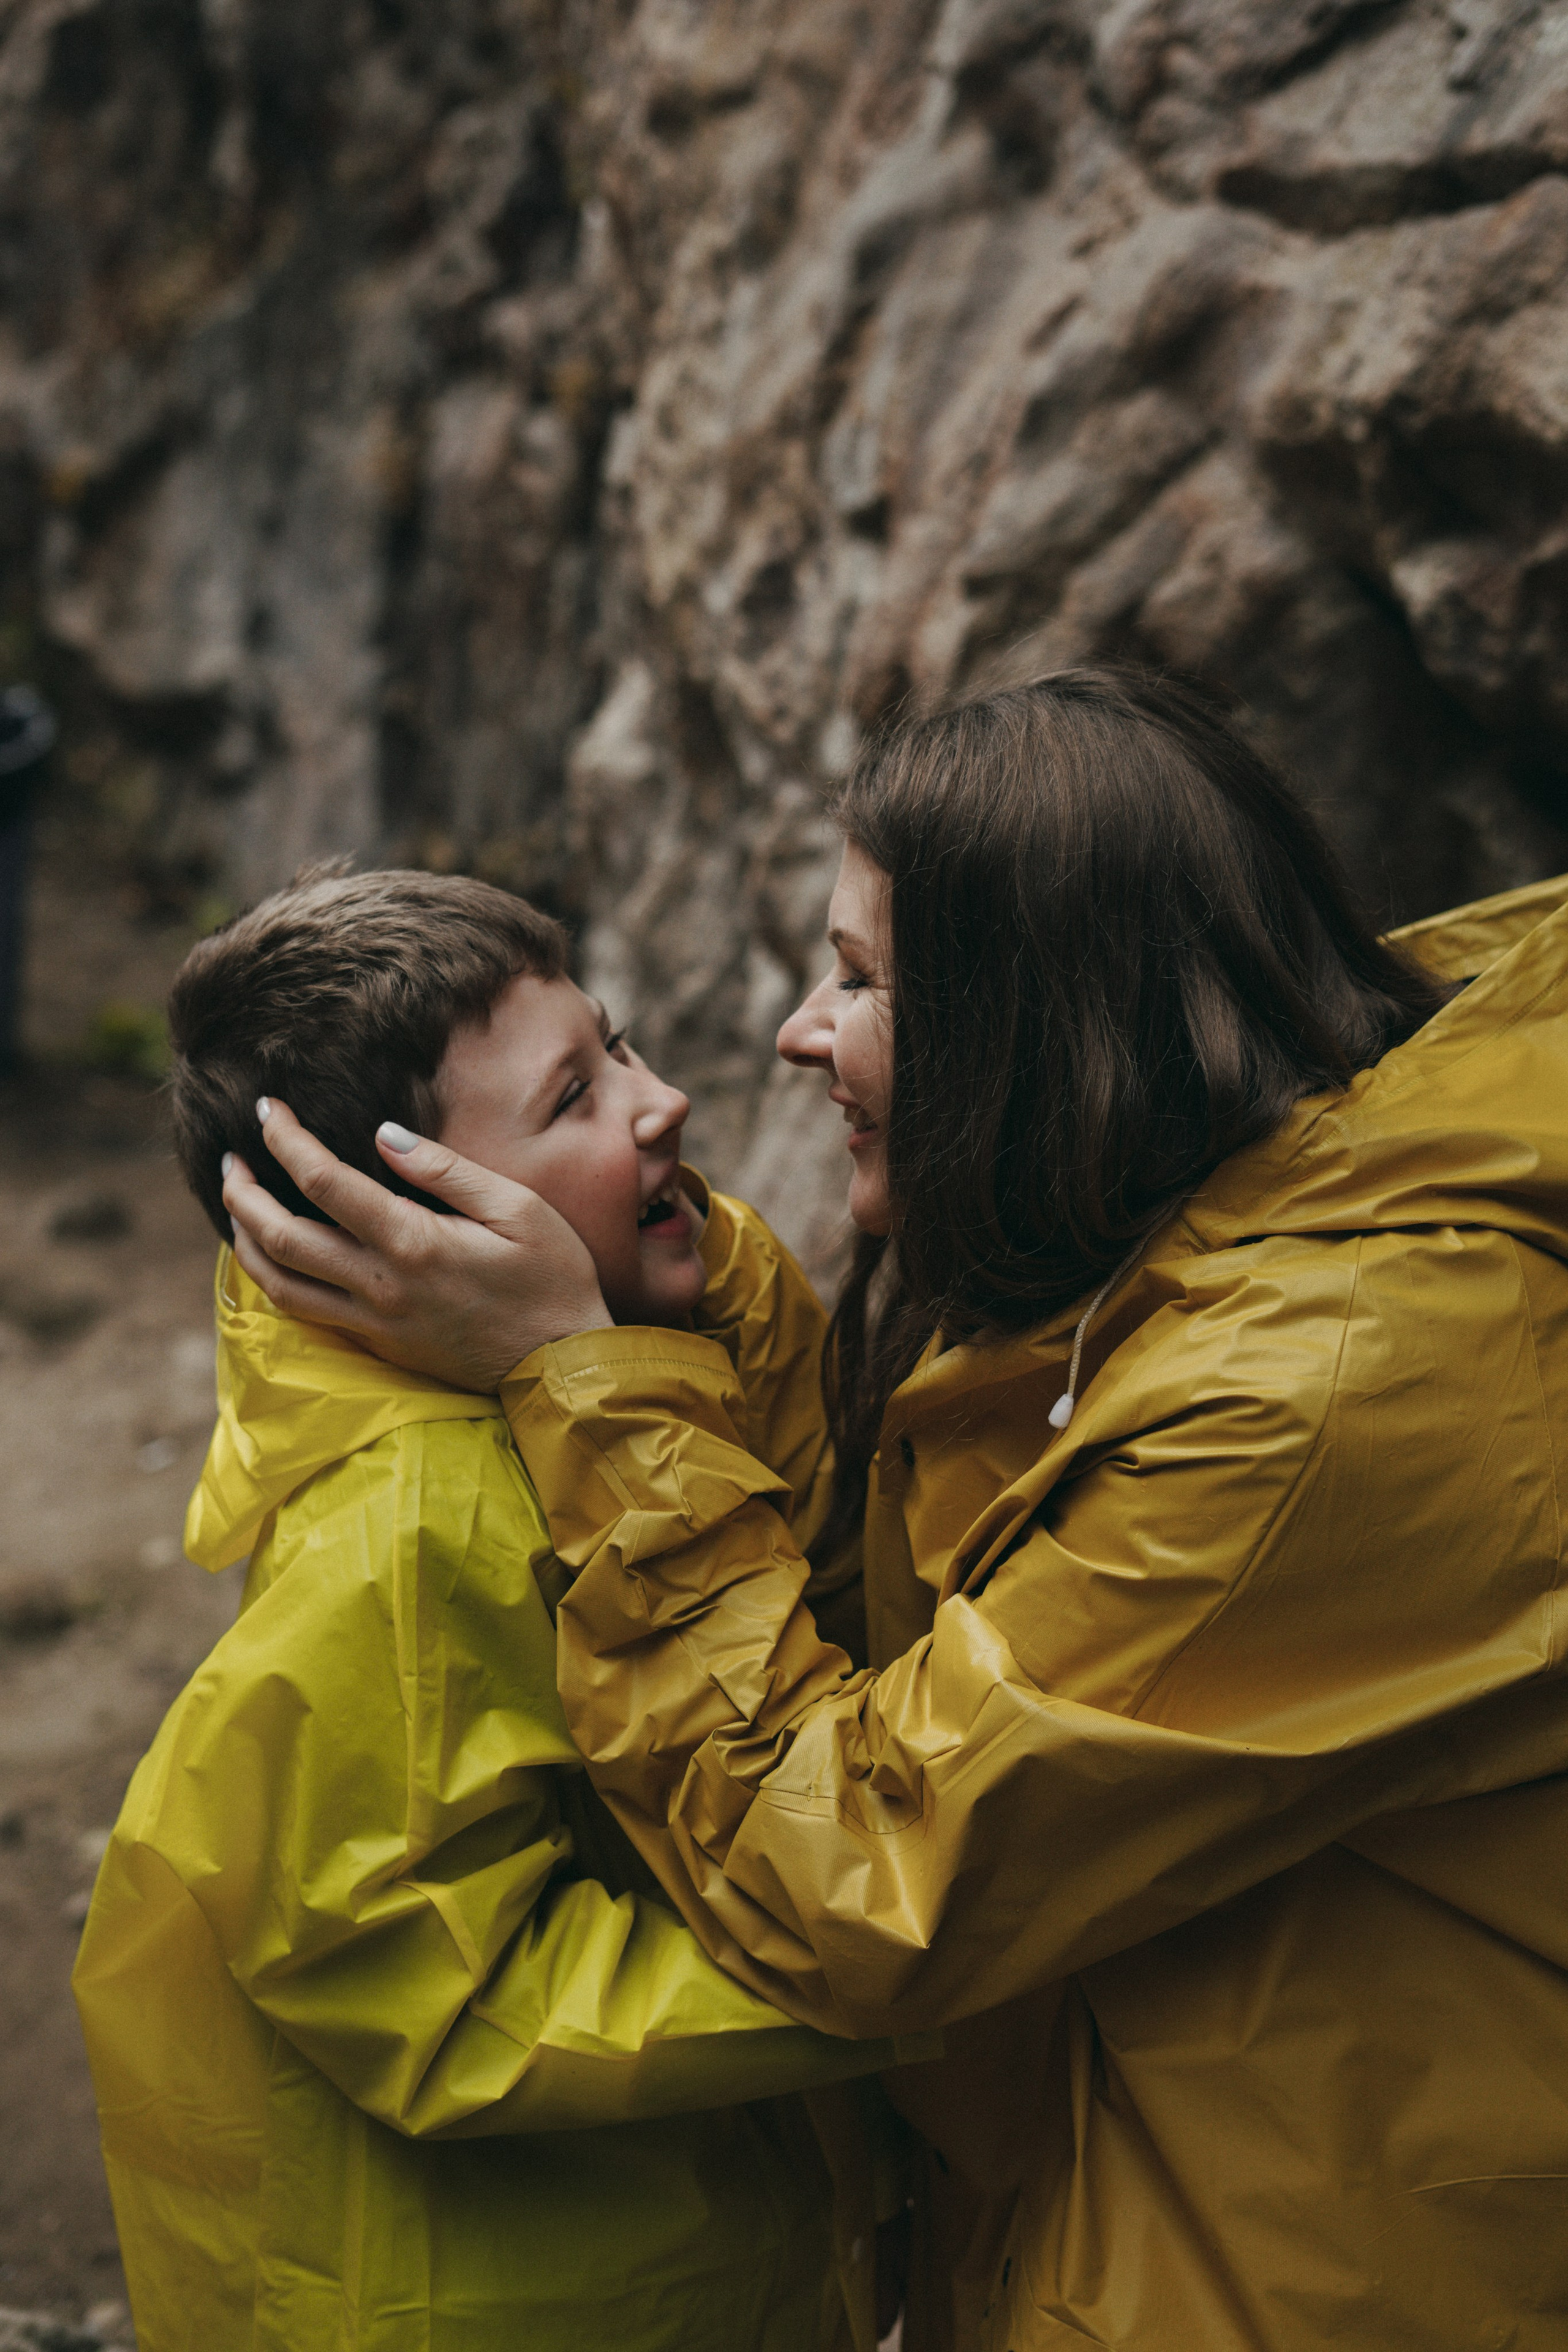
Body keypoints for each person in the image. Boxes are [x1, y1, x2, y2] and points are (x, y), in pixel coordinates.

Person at [219, 672, 1568, 2352]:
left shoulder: (1321, 1390)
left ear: (1046, 1020)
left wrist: (589, 1377)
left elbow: (855, 1880)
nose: (790, 1037)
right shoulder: (1209, 1217)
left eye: (862, 981)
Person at [72, 867, 916, 2352]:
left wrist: (694, 1292)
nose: (661, 1106)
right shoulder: (411, 1525)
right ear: (414, 1225)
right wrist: (886, 1973)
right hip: (514, 2294)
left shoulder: (626, 1346)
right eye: (574, 1098)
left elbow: (809, 1533)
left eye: (624, 1046)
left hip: (685, 2231)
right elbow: (445, 1997)